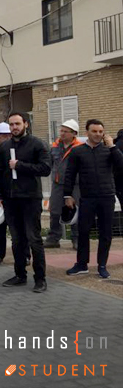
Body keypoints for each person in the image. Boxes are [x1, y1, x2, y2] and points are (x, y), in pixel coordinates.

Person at [0, 112, 52, 293]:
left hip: (30, 198)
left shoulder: (37, 144)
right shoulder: (4, 147)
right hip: (11, 200)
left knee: (34, 239)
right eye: (11, 124)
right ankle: (20, 275)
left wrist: (20, 165)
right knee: (17, 239)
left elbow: (45, 168)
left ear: (25, 124)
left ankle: (40, 278)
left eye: (17, 124)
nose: (14, 128)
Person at [65, 119, 123, 279]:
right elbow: (69, 174)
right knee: (83, 231)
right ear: (87, 132)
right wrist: (67, 195)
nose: (98, 134)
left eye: (100, 131)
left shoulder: (109, 150)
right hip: (87, 197)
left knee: (105, 232)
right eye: (94, 131)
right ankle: (82, 264)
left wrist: (112, 146)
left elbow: (121, 165)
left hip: (107, 196)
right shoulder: (77, 151)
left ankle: (102, 265)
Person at [44, 120, 82, 250]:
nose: (62, 133)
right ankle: (54, 238)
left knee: (74, 211)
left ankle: (77, 239)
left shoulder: (80, 147)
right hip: (57, 183)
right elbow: (49, 163)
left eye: (66, 131)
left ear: (74, 133)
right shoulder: (55, 146)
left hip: (75, 185)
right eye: (62, 130)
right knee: (54, 211)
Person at [0, 123, 12, 265]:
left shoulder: (16, 150)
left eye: (9, 135)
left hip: (16, 194)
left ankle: (25, 255)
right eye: (4, 136)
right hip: (0, 194)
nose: (7, 138)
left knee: (18, 227)